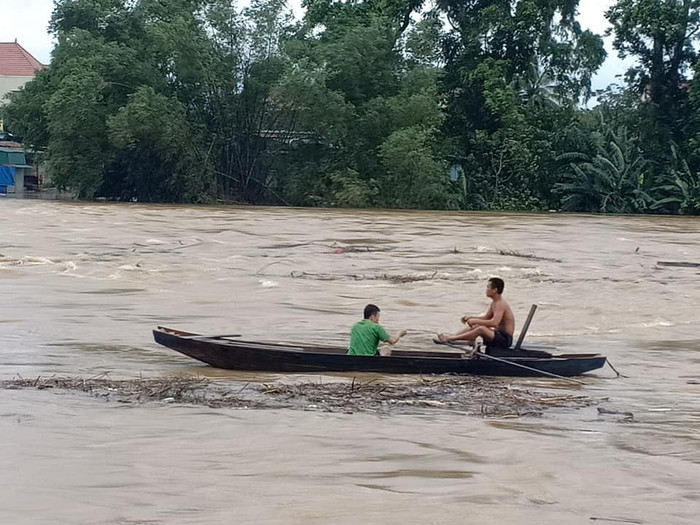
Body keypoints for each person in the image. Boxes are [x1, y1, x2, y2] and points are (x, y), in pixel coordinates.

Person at [437, 277, 514, 349]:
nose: (486, 290)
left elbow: (494, 323)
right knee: (477, 325)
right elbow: (486, 318)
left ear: (495, 290)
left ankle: (451, 338)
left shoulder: (501, 304)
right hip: (497, 335)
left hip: (505, 339)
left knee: (481, 329)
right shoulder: (494, 303)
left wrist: (475, 321)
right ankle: (453, 337)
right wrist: (471, 318)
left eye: (488, 287)